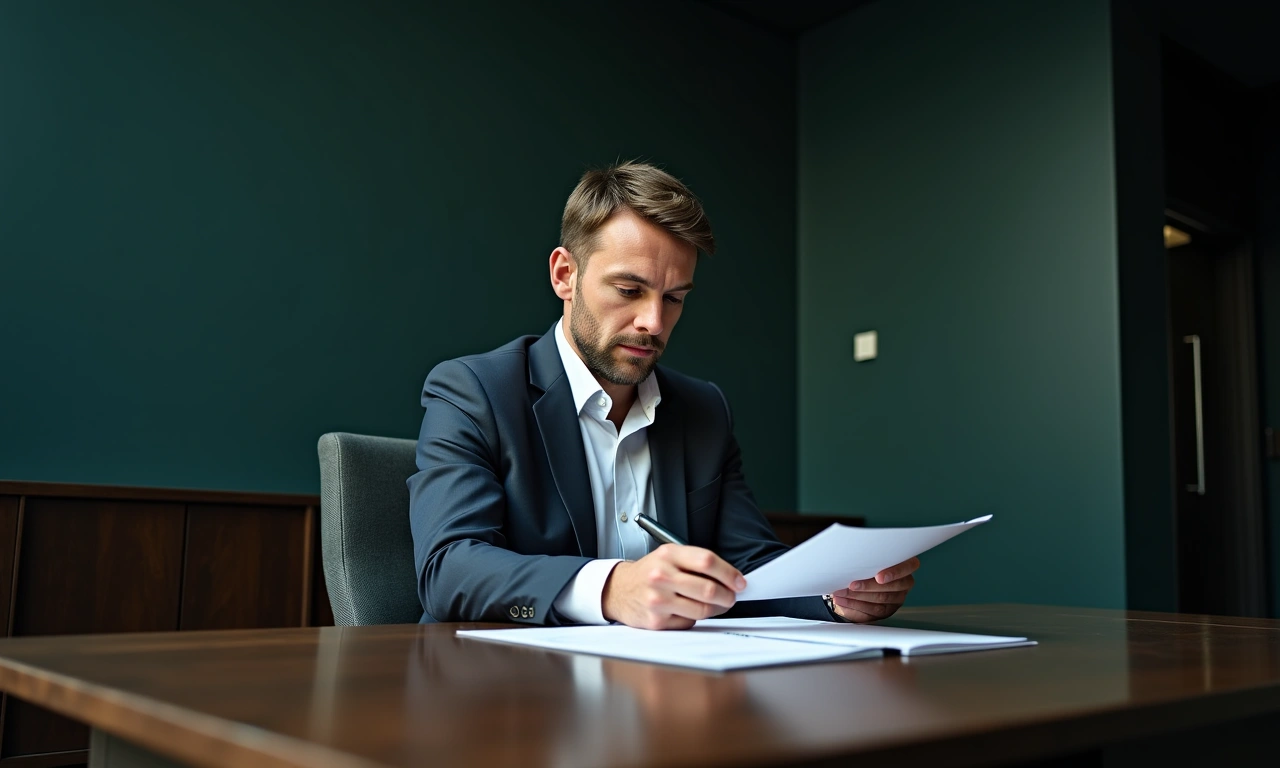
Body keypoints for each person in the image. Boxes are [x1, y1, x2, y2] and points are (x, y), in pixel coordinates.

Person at [408, 161, 919, 629]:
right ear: (566, 275)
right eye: (629, 291)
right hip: (509, 686)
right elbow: (448, 568)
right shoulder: (473, 391)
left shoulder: (704, 411)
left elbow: (749, 566)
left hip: (669, 683)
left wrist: (834, 595)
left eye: (673, 298)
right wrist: (611, 589)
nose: (653, 322)